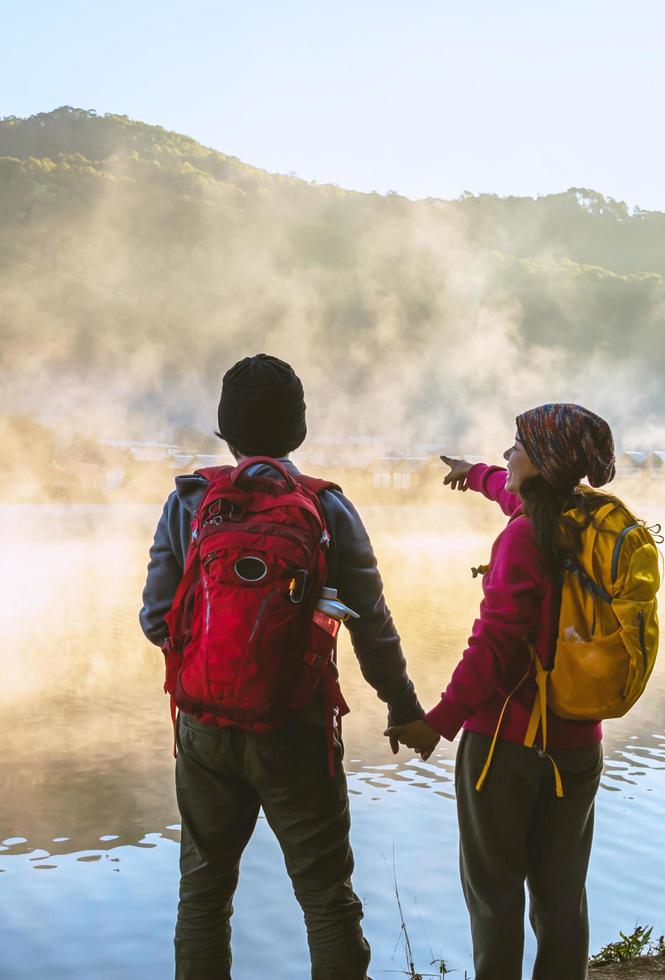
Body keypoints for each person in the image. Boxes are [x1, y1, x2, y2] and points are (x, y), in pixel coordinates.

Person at [140, 354, 431, 980]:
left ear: (226, 430)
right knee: (325, 898)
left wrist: (213, 660)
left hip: (204, 730)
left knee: (203, 898)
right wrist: (403, 706)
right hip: (296, 726)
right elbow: (370, 624)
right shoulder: (327, 508)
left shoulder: (189, 502)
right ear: (298, 430)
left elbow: (155, 619)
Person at [384, 403, 619, 980]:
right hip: (577, 747)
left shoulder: (522, 540)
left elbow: (493, 648)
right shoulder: (587, 522)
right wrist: (477, 473)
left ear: (543, 463)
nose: (509, 452)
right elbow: (513, 493)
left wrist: (436, 722)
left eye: (517, 446)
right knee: (563, 897)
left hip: (504, 749)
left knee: (494, 899)